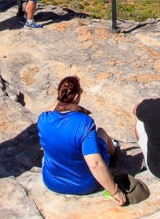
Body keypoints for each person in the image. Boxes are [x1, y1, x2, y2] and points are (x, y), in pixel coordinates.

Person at [37, 76, 126, 204]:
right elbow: (94, 164)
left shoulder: (43, 119)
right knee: (100, 132)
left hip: (52, 182)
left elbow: (50, 110)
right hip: (84, 185)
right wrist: (114, 191)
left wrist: (64, 103)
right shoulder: (84, 123)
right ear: (76, 96)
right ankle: (113, 156)